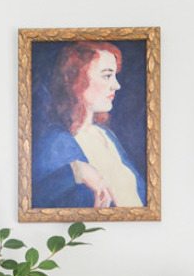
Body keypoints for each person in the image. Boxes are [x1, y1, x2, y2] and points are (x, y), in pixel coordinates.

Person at [32, 41, 146, 209]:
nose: (117, 85)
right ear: (78, 78)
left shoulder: (107, 136)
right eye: (107, 76)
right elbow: (35, 197)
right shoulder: (56, 141)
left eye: (115, 76)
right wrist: (77, 171)